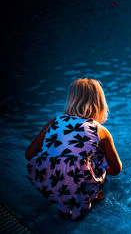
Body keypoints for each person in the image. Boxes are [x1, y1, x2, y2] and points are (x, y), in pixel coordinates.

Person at [25, 78, 122, 220]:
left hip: (44, 181)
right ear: (100, 104)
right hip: (75, 186)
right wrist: (101, 169)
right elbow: (116, 169)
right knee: (96, 157)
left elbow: (29, 155)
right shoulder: (100, 131)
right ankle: (92, 195)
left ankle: (63, 191)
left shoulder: (55, 121)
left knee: (70, 159)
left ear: (70, 100)